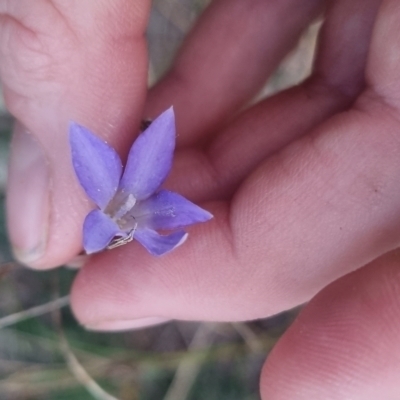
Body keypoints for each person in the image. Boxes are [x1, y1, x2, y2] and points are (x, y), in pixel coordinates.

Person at [2, 0, 399, 398]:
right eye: (118, 222)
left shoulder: (137, 221)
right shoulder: (102, 214)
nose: (120, 216)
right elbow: (98, 226)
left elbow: (161, 227)